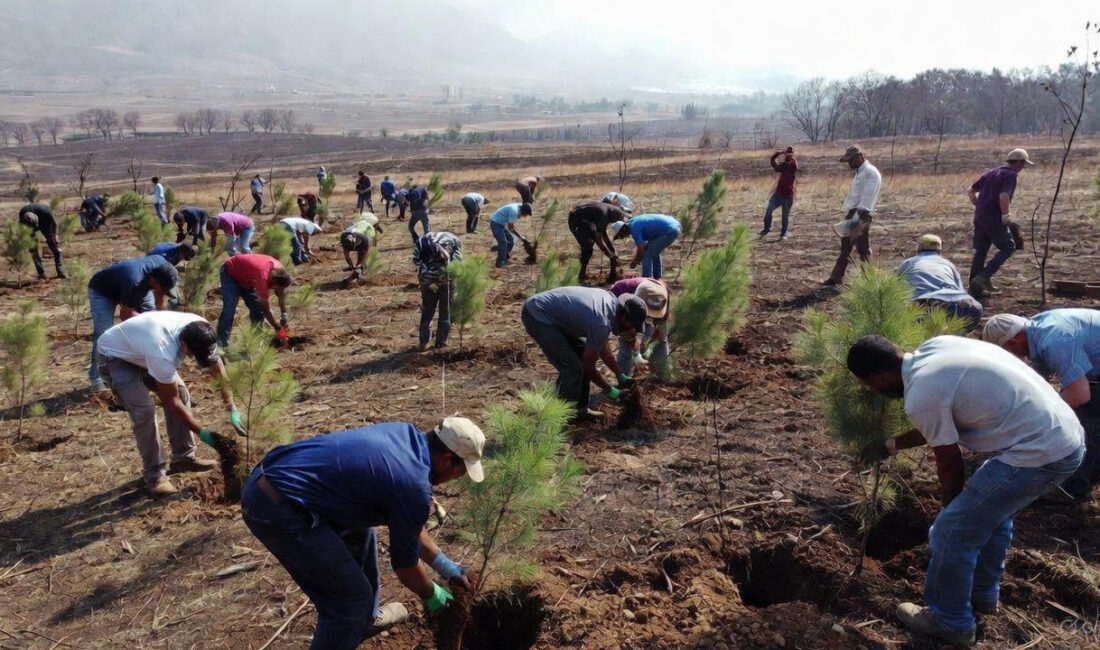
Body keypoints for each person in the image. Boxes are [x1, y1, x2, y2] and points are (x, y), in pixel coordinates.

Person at [847, 334, 1083, 647]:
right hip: (1063, 434)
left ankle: (950, 621)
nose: (875, 392)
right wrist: (891, 445)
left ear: (877, 377)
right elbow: (940, 419)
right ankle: (982, 595)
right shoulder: (936, 348)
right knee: (990, 515)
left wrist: (951, 509)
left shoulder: (921, 395)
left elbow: (949, 462)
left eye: (870, 385)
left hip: (1040, 453)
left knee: (949, 532)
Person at [238, 417, 485, 648]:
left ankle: (363, 621)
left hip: (284, 480)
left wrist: (445, 566)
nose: (457, 478)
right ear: (446, 459)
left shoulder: (405, 435)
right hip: (276, 506)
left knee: (362, 533)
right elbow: (405, 568)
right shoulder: (413, 485)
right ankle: (353, 617)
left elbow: (410, 528)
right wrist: (431, 594)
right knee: (350, 601)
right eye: (460, 471)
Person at [97, 312, 244, 496]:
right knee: (145, 411)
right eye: (193, 355)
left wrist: (232, 406)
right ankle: (154, 476)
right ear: (183, 345)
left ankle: (183, 458)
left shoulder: (202, 330)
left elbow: (218, 368)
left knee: (182, 393)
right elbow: (172, 402)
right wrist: (204, 433)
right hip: (116, 355)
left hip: (141, 348)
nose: (193, 359)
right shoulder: (163, 352)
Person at [983, 309, 1100, 501]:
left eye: (1007, 353)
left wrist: (1045, 417)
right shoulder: (1036, 329)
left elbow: (1080, 394)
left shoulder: (1055, 340)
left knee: (1082, 425)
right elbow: (1038, 382)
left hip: (1090, 384)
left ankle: (1073, 489)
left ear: (1013, 343)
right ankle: (1093, 468)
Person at [522, 286, 646, 419]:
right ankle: (562, 418)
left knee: (581, 356)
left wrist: (620, 375)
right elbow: (588, 368)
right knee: (572, 368)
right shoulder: (601, 321)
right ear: (623, 316)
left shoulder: (609, 307)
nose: (630, 330)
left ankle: (580, 410)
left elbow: (604, 352)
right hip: (538, 314)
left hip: (552, 314)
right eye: (631, 325)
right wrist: (611, 391)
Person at [87, 256, 180, 391]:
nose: (163, 292)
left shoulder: (163, 268)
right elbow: (126, 315)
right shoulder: (134, 282)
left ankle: (149, 371)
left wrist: (158, 325)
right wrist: (145, 326)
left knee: (150, 323)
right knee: (103, 334)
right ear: (155, 282)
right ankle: (97, 378)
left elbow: (162, 297)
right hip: (103, 291)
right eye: (162, 288)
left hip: (135, 285)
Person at [966, 148, 1033, 296]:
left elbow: (970, 191)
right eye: (1023, 164)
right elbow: (1004, 196)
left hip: (980, 218)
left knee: (980, 252)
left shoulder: (990, 172)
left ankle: (974, 288)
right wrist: (1005, 215)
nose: (1023, 168)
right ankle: (983, 277)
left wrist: (980, 206)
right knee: (1009, 247)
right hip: (994, 219)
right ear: (1019, 162)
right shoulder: (1010, 175)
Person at [895, 235, 983, 331]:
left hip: (922, 307)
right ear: (939, 250)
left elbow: (896, 289)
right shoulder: (948, 265)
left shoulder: (908, 263)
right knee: (975, 309)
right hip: (957, 307)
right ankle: (955, 333)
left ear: (919, 248)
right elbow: (960, 291)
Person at [824, 145, 881, 286]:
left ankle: (869, 281)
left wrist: (858, 214)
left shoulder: (870, 172)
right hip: (855, 212)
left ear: (859, 157)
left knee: (862, 248)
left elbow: (869, 193)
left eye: (851, 160)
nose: (849, 163)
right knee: (846, 247)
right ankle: (836, 277)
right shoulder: (861, 172)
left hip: (861, 213)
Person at [217, 253, 291, 347]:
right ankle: (221, 345)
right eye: (276, 288)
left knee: (257, 310)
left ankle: (256, 344)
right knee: (229, 309)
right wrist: (277, 327)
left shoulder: (280, 270)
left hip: (248, 278)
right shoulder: (263, 277)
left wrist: (283, 313)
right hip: (230, 272)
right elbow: (266, 310)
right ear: (274, 281)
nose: (275, 290)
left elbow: (281, 293)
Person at [610, 278, 672, 380]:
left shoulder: (663, 295)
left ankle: (662, 377)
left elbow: (660, 330)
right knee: (627, 347)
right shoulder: (621, 292)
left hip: (646, 305)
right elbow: (627, 332)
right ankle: (625, 380)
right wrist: (636, 354)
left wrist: (650, 346)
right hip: (625, 313)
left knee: (662, 343)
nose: (651, 318)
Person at [413, 231, 462, 350]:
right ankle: (441, 343)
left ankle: (423, 343)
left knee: (427, 312)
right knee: (445, 312)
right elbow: (457, 261)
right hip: (447, 279)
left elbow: (416, 261)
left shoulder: (422, 242)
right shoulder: (454, 240)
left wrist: (426, 278)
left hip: (427, 281)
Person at [568, 201, 628, 283]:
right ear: (615, 216)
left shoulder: (607, 212)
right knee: (588, 246)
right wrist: (609, 254)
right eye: (616, 220)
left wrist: (612, 250)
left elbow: (603, 232)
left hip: (583, 221)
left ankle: (582, 274)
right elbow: (598, 238)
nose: (614, 222)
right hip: (577, 221)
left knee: (589, 244)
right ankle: (581, 276)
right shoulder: (603, 213)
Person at [611, 213, 681, 280]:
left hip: (669, 229)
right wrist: (636, 259)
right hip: (673, 226)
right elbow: (642, 245)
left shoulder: (634, 227)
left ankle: (646, 279)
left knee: (647, 254)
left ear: (623, 229)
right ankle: (657, 278)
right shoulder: (633, 222)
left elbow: (641, 249)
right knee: (653, 251)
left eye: (620, 235)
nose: (621, 237)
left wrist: (635, 262)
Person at [17, 203, 66, 279]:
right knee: (33, 250)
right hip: (29, 227)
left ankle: (61, 272)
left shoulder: (46, 212)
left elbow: (55, 223)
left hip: (45, 223)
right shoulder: (22, 215)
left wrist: (55, 235)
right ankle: (41, 274)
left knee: (53, 244)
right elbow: (21, 230)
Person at [759, 146, 798, 240]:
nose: (788, 156)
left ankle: (784, 233)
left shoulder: (793, 165)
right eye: (787, 154)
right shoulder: (783, 165)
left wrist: (790, 156)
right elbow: (773, 161)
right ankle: (766, 229)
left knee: (785, 216)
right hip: (778, 195)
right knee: (768, 211)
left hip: (788, 196)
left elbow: (794, 164)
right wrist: (778, 153)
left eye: (790, 154)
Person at [488, 202, 532, 268]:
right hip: (496, 223)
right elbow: (511, 228)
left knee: (510, 241)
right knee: (503, 242)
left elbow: (512, 225)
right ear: (523, 212)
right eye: (526, 214)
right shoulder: (514, 211)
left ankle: (503, 254)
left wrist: (521, 236)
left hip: (502, 223)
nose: (526, 216)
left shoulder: (520, 206)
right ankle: (500, 262)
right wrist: (520, 237)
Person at [341, 213, 384, 278]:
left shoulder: (364, 237)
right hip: (357, 231)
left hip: (368, 232)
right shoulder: (343, 237)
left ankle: (361, 266)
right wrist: (351, 265)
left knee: (364, 250)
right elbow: (346, 254)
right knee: (360, 250)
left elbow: (367, 251)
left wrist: (362, 263)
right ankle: (358, 266)